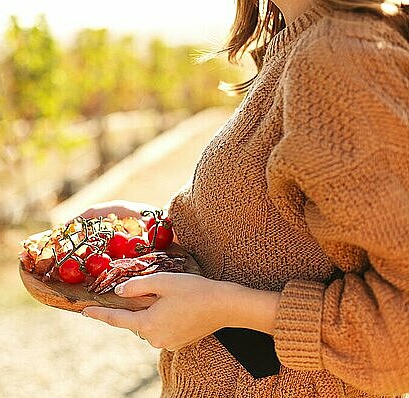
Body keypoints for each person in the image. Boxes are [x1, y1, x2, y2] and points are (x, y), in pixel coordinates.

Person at [78, 0, 409, 396]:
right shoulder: (299, 41)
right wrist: (163, 229)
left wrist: (225, 306)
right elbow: (278, 234)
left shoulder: (339, 57)